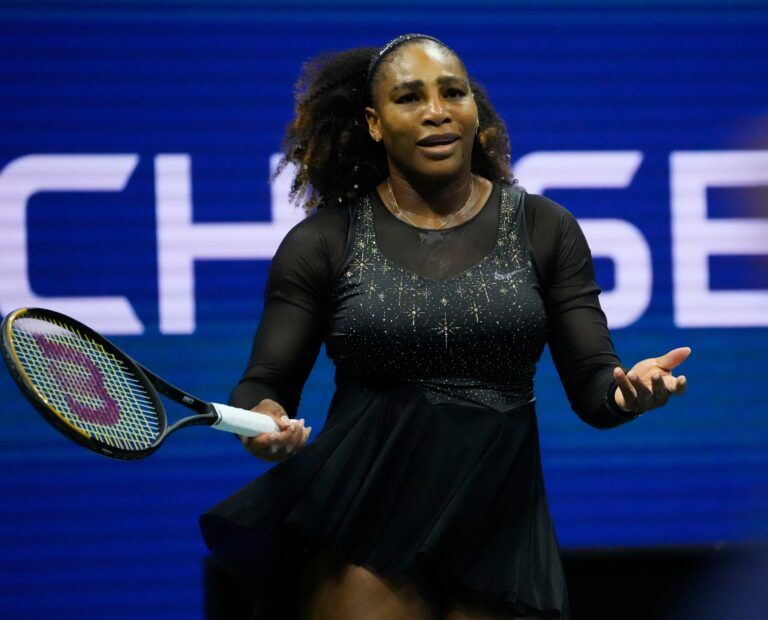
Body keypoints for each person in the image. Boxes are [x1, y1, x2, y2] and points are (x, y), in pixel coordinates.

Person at [200, 34, 689, 619]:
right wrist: (264, 421)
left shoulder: (544, 228)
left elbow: (592, 385)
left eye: (452, 92)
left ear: (473, 109)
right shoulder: (322, 243)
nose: (436, 111)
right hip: (364, 522)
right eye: (409, 97)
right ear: (374, 123)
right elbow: (265, 380)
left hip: (500, 528)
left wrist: (629, 393)